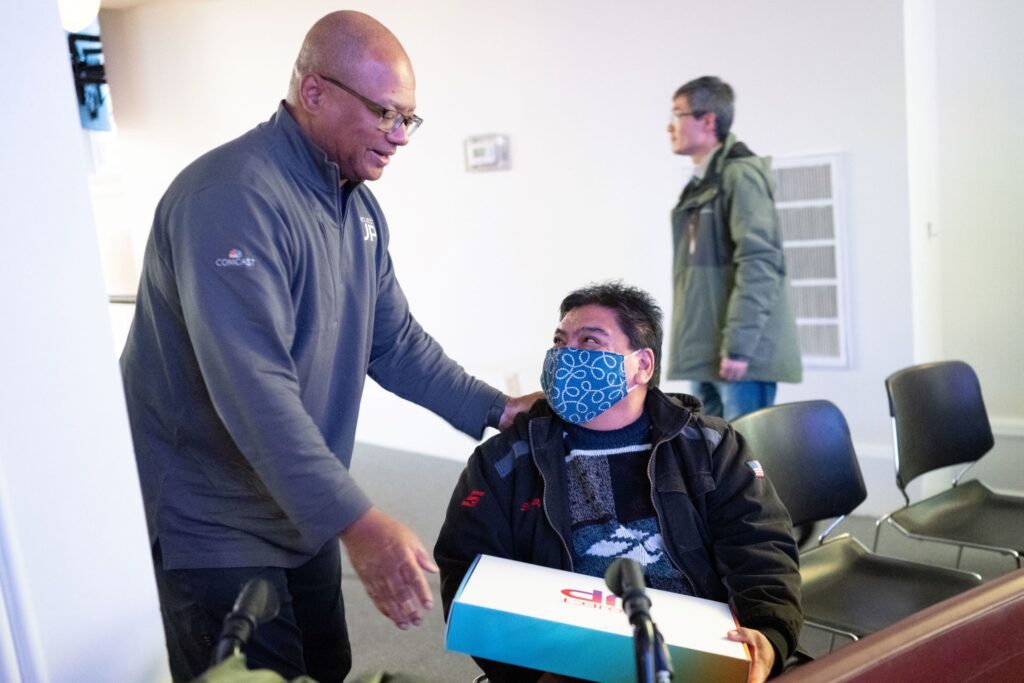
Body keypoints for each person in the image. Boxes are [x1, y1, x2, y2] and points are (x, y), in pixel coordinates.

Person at [119, 11, 539, 682]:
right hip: (213, 518)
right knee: (260, 677)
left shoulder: (357, 209)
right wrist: (361, 522)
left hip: (298, 506)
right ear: (314, 92)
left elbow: (395, 342)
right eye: (384, 113)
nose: (400, 136)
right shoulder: (234, 197)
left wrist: (500, 409)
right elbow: (254, 388)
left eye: (409, 118)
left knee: (327, 664)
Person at [434, 282, 802, 683]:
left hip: (698, 652)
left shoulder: (709, 445)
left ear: (642, 365)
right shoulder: (505, 461)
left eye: (589, 342)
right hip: (565, 660)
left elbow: (760, 548)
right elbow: (468, 574)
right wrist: (529, 674)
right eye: (560, 341)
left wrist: (769, 636)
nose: (565, 356)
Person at [667, 76, 802, 421]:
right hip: (707, 353)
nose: (669, 126)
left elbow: (760, 263)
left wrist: (738, 346)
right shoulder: (704, 182)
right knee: (709, 460)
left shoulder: (739, 175)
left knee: (746, 463)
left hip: (737, 357)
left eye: (678, 114)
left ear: (708, 120)